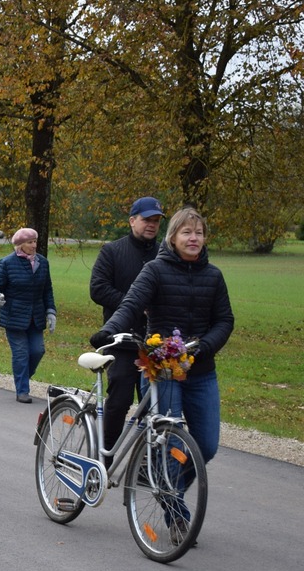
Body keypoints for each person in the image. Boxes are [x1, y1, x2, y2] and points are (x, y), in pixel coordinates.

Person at [91, 206, 233, 495]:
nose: (193, 238)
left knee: (205, 446)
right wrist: (109, 330)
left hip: (200, 370)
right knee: (171, 441)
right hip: (162, 368)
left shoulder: (214, 276)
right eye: (186, 232)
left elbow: (224, 320)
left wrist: (204, 347)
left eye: (199, 233)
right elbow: (131, 303)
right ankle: (172, 506)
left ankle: (169, 484)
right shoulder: (154, 269)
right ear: (174, 237)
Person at [89, 196, 163, 464]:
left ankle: (147, 465)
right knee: (119, 400)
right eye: (146, 220)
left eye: (156, 221)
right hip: (121, 340)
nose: (151, 225)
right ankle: (105, 456)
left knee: (154, 406)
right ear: (132, 221)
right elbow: (97, 288)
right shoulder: (112, 251)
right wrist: (132, 305)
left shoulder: (165, 254)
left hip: (155, 343)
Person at [0, 228, 57, 404]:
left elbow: (47, 290)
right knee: (21, 353)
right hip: (14, 316)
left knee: (37, 350)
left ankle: (23, 376)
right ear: (19, 245)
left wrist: (51, 311)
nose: (34, 245)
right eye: (30, 242)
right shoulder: (7, 263)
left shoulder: (43, 263)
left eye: (35, 241)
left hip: (36, 316)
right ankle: (22, 390)